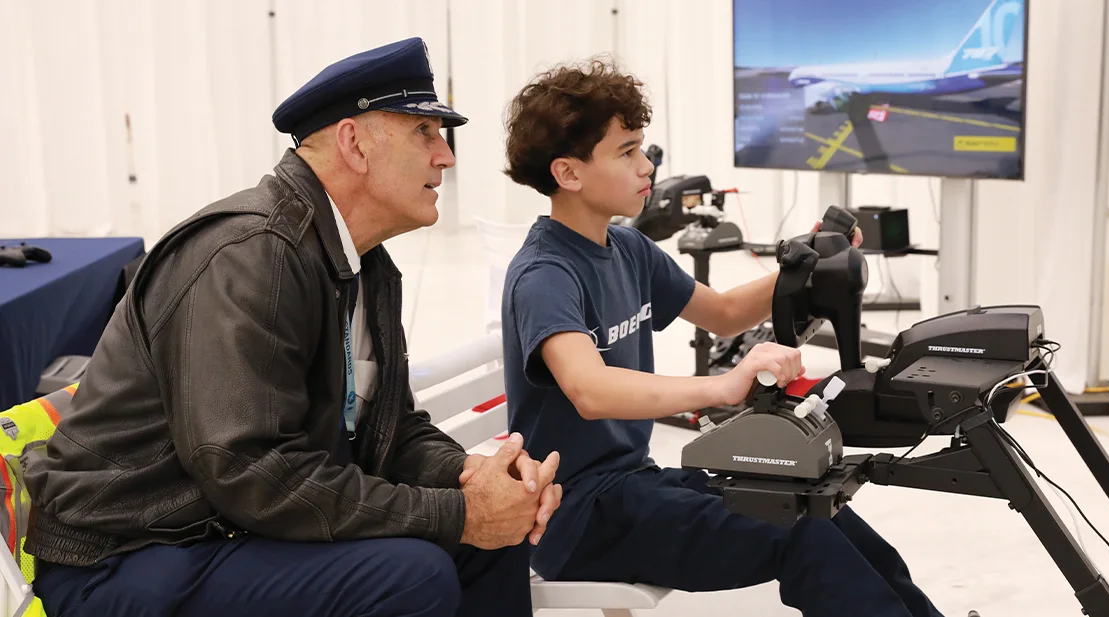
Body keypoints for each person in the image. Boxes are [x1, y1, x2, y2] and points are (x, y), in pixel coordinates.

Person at [23, 37, 561, 617]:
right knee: (410, 576)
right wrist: (456, 513)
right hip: (129, 556)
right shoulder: (250, 255)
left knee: (489, 543)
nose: (446, 156)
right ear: (355, 143)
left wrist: (473, 478)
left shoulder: (363, 261)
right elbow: (248, 468)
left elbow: (390, 428)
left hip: (223, 528)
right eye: (424, 133)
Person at [498, 59, 947, 617]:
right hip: (580, 518)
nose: (646, 167)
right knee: (803, 538)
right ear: (569, 173)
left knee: (823, 512)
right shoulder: (546, 274)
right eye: (626, 152)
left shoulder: (628, 250)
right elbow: (589, 389)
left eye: (643, 150)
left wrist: (801, 260)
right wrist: (720, 386)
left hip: (633, 486)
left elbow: (725, 314)